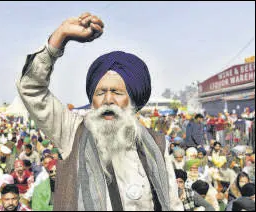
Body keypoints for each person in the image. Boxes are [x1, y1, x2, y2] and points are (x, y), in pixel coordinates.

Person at [16, 12, 183, 211]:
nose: (108, 100)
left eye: (117, 92)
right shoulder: (72, 133)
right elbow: (31, 88)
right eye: (100, 92)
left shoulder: (155, 144)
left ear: (133, 99)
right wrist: (60, 38)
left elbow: (172, 203)